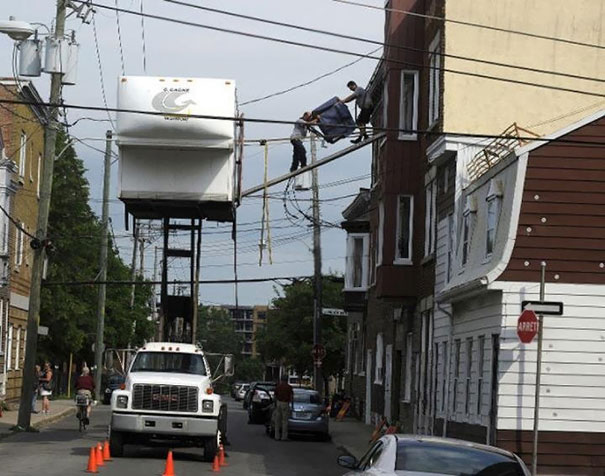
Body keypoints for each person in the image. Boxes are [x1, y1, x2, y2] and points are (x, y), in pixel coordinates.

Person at [273, 374, 293, 441]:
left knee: (277, 420)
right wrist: (291, 404)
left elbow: (275, 396)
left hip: (278, 403)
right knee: (285, 421)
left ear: (281, 379)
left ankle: (276, 436)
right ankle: (284, 437)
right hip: (285, 403)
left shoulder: (278, 387)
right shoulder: (289, 387)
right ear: (287, 380)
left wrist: (275, 403)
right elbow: (291, 397)